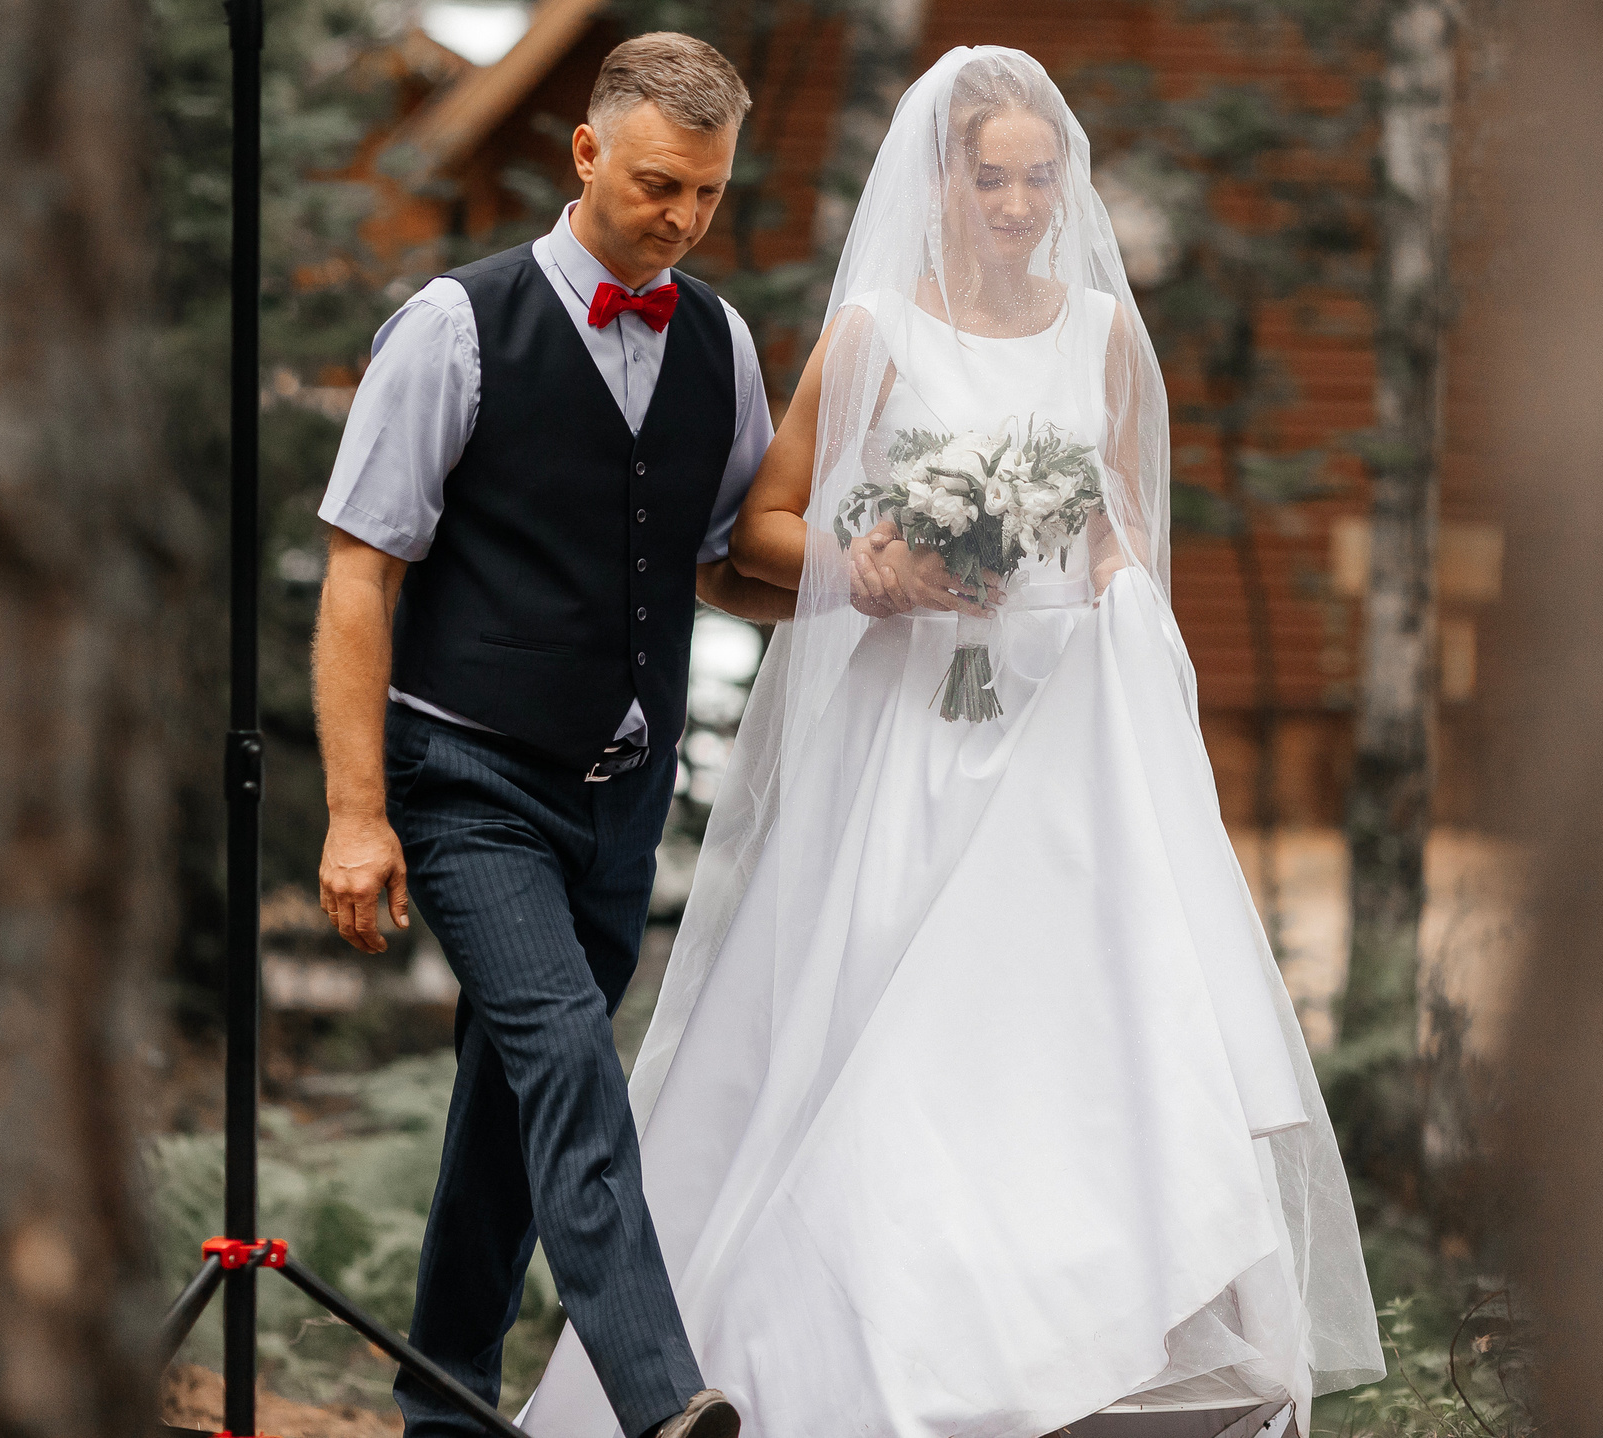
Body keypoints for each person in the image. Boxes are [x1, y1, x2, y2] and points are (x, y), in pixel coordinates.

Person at [520, 47, 1384, 1438]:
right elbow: (767, 528)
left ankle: (1066, 1343)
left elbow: (1111, 529)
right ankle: (855, 1358)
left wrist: (1117, 598)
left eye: (1043, 178)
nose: (1021, 203)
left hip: (1054, 735)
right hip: (911, 734)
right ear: (947, 180)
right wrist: (875, 564)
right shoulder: (877, 331)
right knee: (883, 1033)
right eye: (994, 177)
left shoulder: (1099, 331)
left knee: (1050, 1038)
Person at [308, 32, 794, 1438]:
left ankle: (441, 1410)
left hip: (619, 799)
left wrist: (876, 575)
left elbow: (716, 560)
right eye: (657, 185)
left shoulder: (718, 341)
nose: (683, 219)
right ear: (585, 154)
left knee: (505, 1117)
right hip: (467, 779)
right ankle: (662, 1397)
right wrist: (356, 810)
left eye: (706, 195)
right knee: (570, 1053)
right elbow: (359, 576)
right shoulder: (457, 326)